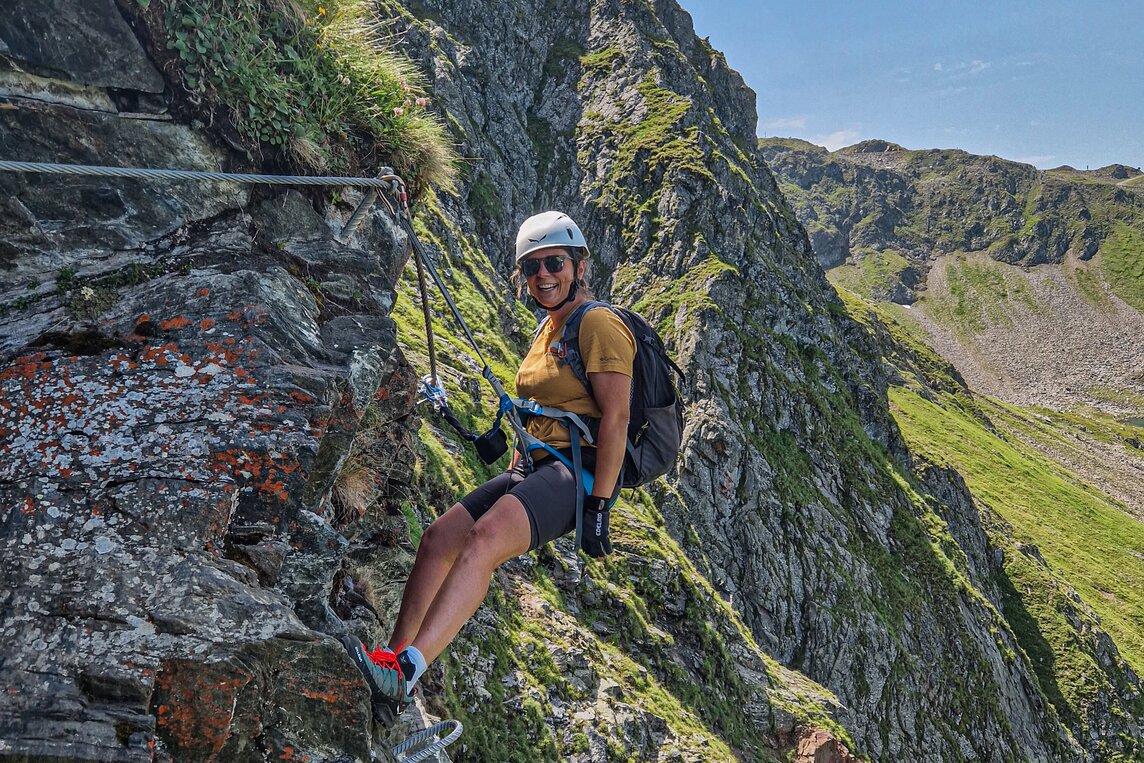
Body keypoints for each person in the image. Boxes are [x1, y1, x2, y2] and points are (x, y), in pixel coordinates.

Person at [342, 211, 635, 707]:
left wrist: (600, 505)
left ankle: (409, 671)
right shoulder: (550, 328)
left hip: (576, 474)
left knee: (482, 542)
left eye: (554, 263)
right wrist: (515, 470)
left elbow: (617, 419)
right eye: (531, 268)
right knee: (438, 539)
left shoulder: (600, 324)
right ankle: (390, 663)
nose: (543, 275)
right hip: (534, 467)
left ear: (579, 266)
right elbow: (539, 410)